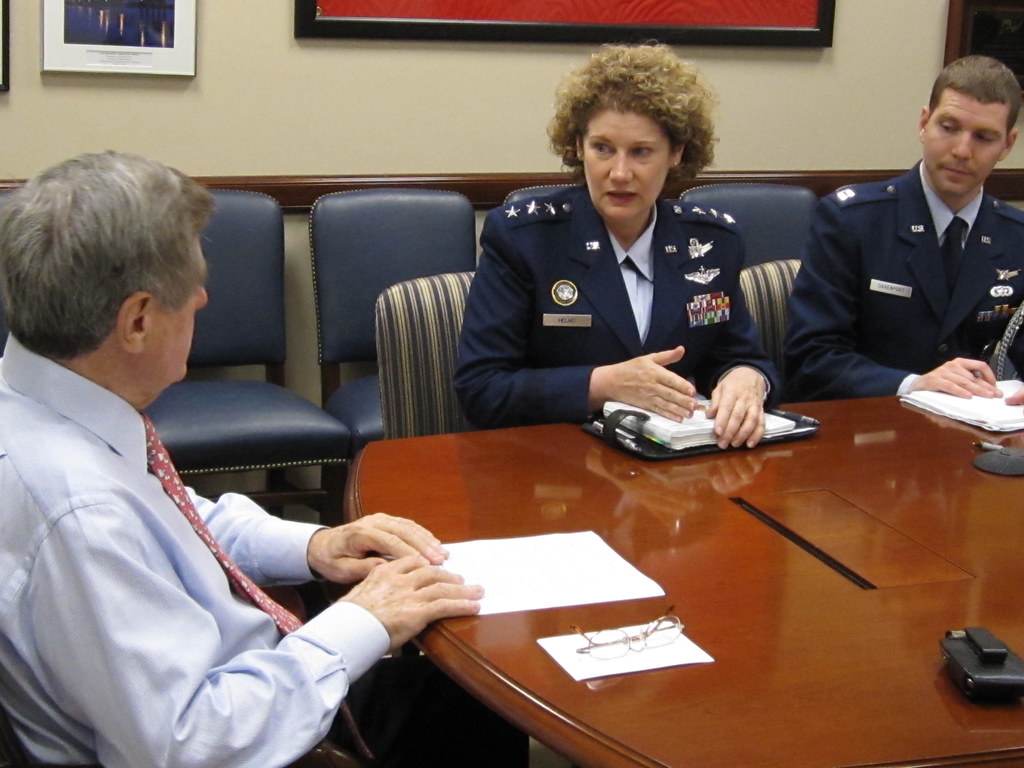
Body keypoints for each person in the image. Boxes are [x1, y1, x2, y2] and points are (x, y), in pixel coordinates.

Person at [0, 151, 526, 768]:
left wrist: (315, 547)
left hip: (243, 679)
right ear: (138, 320)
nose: (202, 297)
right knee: (478, 692)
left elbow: (179, 519)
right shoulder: (80, 512)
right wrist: (362, 620)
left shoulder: (51, 406)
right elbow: (190, 744)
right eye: (192, 285)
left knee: (463, 683)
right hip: (245, 730)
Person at [455, 43, 780, 449]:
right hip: (553, 467)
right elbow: (481, 389)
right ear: (578, 147)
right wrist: (601, 384)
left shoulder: (713, 242)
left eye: (641, 152)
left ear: (676, 153)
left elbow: (737, 355)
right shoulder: (524, 239)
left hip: (678, 467)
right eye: (602, 149)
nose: (620, 173)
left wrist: (748, 378)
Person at [784, 55, 1024, 404]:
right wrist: (914, 384)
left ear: (1007, 145)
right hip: (865, 432)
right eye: (949, 127)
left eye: (984, 137)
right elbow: (810, 360)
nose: (961, 150)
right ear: (924, 123)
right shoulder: (851, 220)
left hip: (978, 438)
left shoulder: (1016, 236)